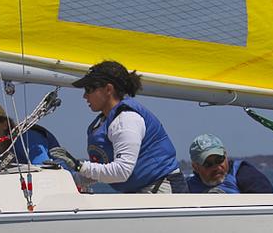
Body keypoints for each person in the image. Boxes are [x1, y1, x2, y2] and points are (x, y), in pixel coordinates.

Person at [50, 60, 187, 193]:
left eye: (89, 89)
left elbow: (121, 172)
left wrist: (79, 166)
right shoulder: (104, 122)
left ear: (108, 89)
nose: (85, 96)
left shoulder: (126, 119)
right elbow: (99, 172)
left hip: (162, 188)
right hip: (144, 191)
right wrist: (62, 179)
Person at [186, 134, 273, 193]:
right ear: (195, 167)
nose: (216, 167)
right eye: (208, 164)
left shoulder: (244, 174)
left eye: (219, 159)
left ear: (226, 155)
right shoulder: (186, 188)